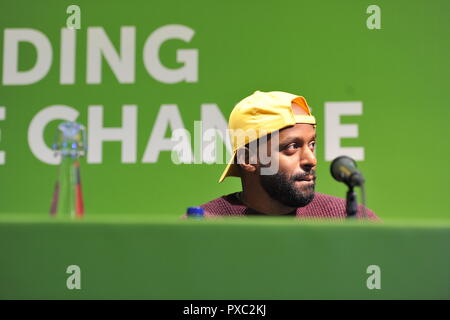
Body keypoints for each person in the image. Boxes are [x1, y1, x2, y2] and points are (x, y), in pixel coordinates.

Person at [195, 90, 378, 220]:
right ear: (247, 159)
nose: (311, 160)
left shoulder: (346, 218)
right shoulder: (205, 226)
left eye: (312, 144)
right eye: (291, 147)